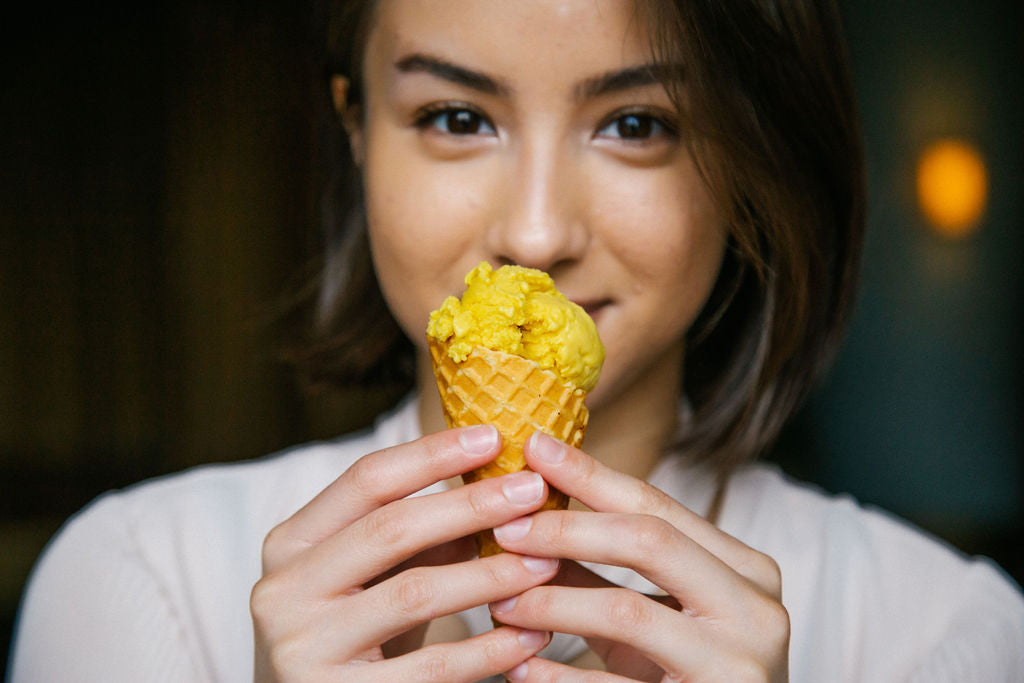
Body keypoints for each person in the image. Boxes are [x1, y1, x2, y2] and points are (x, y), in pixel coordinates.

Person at [9, 0, 1024, 681]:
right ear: (357, 126)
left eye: (636, 123)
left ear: (752, 152)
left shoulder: (950, 634)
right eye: (455, 115)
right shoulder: (140, 580)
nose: (536, 233)